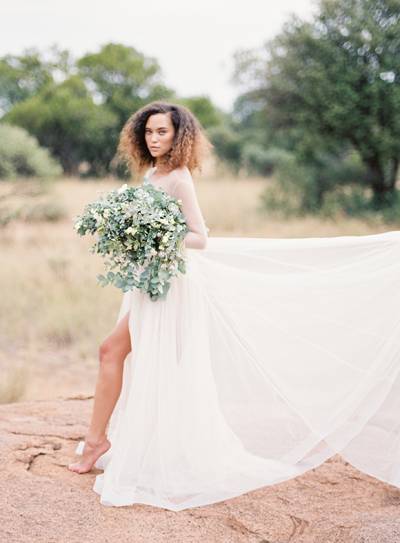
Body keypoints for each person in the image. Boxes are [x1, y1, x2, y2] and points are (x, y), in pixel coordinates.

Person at [68, 101, 400, 512]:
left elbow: (199, 237)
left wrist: (155, 241)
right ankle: (110, 440)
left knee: (112, 351)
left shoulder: (178, 178)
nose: (154, 139)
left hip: (169, 286)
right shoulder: (153, 174)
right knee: (128, 355)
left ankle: (101, 442)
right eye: (149, 132)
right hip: (148, 283)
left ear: (178, 136)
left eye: (162, 132)